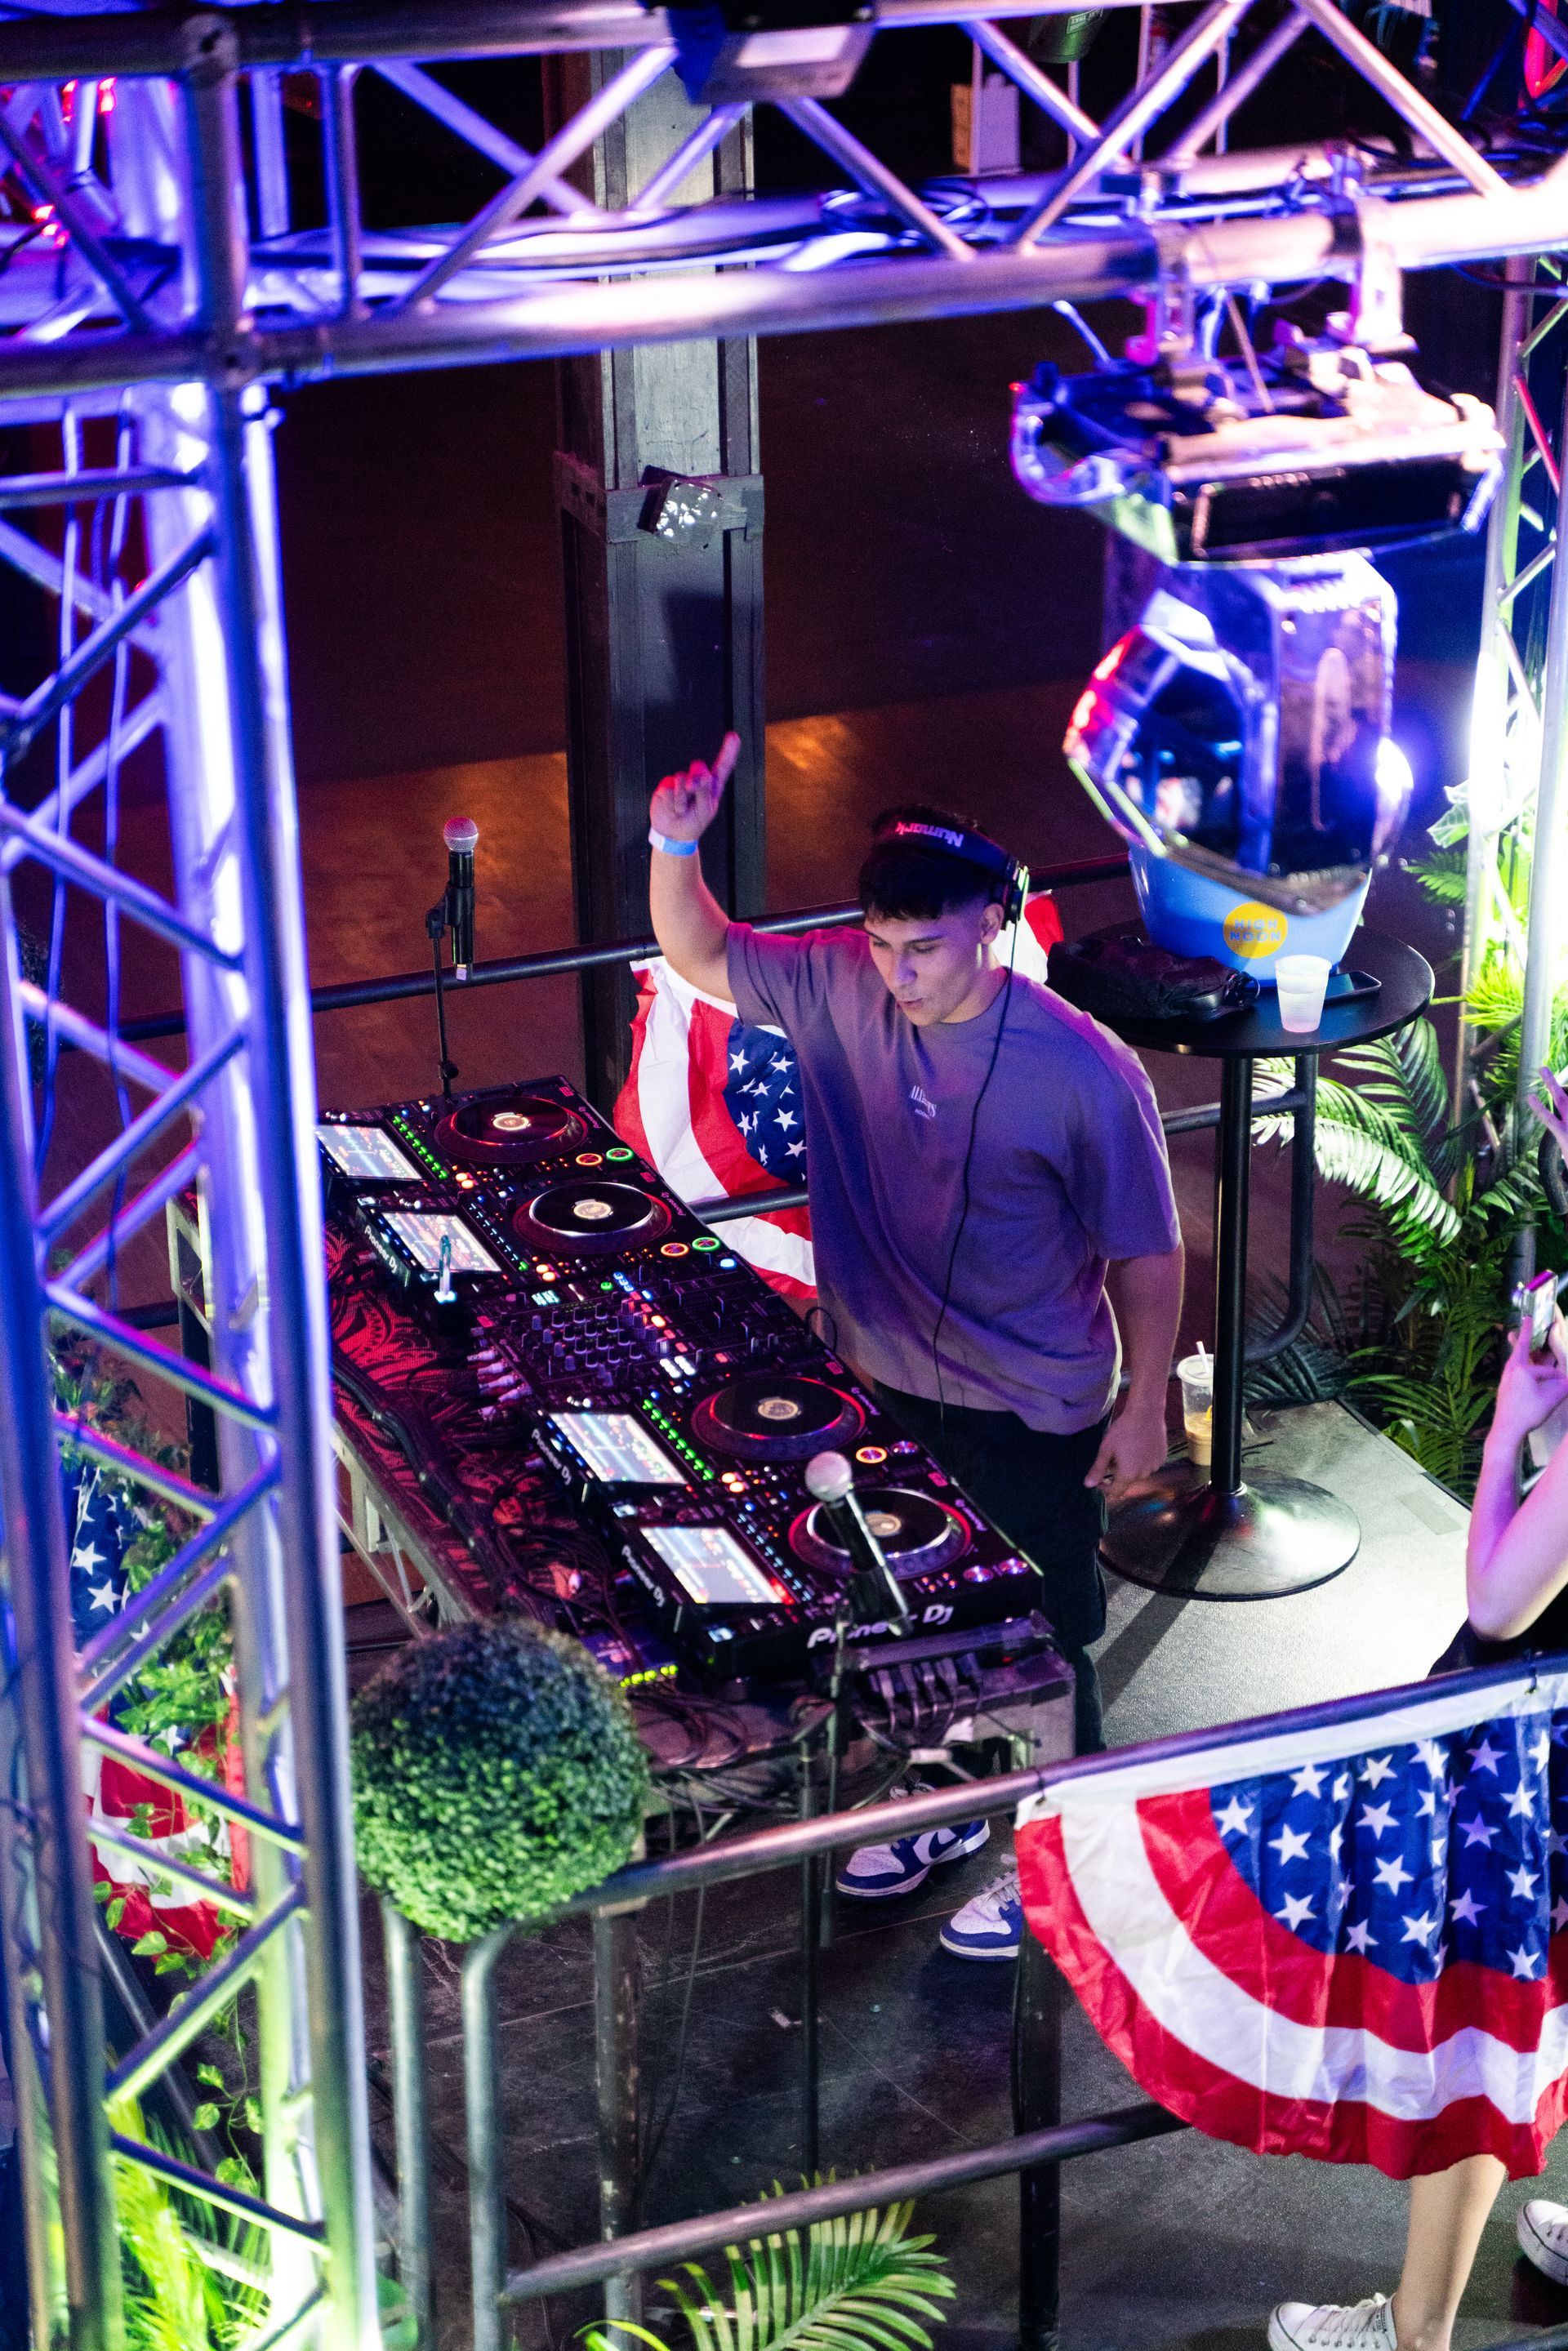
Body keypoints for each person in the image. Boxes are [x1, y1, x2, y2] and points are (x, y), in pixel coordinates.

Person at [647, 734, 1184, 1960]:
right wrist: (676, 842)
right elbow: (704, 952)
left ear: (992, 924)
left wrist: (1145, 1405)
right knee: (912, 1617)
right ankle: (953, 1801)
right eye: (883, 944)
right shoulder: (840, 984)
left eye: (925, 946)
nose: (900, 973)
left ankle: (1070, 1874)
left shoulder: (1084, 1072)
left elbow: (1147, 1254)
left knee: (1041, 1642)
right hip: (882, 1380)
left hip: (1030, 1403)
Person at [1269, 1066, 1568, 2351]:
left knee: (1482, 2029)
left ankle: (1416, 2337)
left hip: (1535, 1747)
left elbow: (1505, 1598)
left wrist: (1509, 1433)